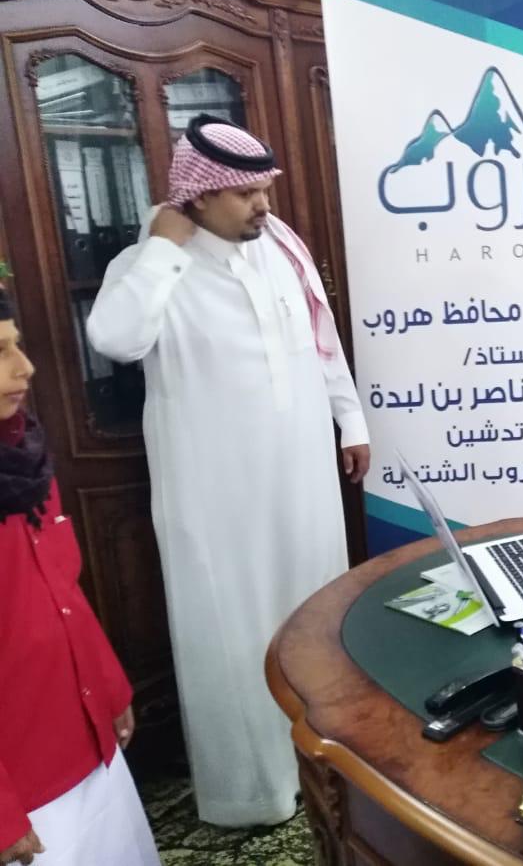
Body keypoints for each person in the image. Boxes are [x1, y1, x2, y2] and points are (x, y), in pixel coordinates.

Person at [86, 115, 370, 827]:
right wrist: (163, 247)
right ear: (199, 195)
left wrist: (351, 420)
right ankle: (255, 792)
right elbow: (114, 338)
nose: (262, 205)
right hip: (214, 492)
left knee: (313, 610)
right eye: (245, 194)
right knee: (231, 627)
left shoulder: (282, 248)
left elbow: (321, 338)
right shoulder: (148, 264)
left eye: (264, 189)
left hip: (302, 475)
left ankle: (326, 763)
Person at [0, 289, 160, 866]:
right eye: (0, 353)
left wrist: (110, 686)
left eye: (17, 345)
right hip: (24, 780)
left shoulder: (25, 461)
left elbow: (63, 594)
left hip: (84, 735)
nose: (25, 367)